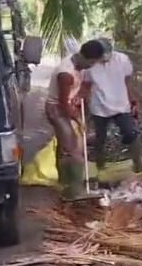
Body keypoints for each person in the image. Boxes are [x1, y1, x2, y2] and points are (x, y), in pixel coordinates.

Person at [45, 41, 106, 201]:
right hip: (56, 110)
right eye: (92, 62)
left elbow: (86, 85)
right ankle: (76, 189)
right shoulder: (65, 74)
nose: (93, 66)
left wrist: (80, 96)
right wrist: (79, 120)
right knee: (73, 146)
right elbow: (63, 105)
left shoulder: (81, 66)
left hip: (68, 106)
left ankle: (64, 182)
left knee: (66, 145)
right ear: (86, 57)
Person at [79, 38, 142, 173]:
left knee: (130, 133)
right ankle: (100, 166)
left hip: (121, 105)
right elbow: (86, 86)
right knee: (100, 138)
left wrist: (133, 100)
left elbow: (128, 82)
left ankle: (139, 166)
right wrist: (81, 102)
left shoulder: (123, 60)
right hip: (99, 106)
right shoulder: (91, 64)